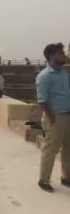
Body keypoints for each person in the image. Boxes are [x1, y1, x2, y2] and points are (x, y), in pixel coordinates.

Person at [36, 43, 70, 193]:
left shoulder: (64, 73)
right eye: (60, 53)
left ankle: (66, 177)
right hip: (55, 118)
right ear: (51, 56)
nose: (63, 55)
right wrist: (52, 119)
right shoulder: (44, 76)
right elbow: (42, 101)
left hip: (68, 115)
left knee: (68, 149)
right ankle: (43, 180)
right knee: (51, 150)